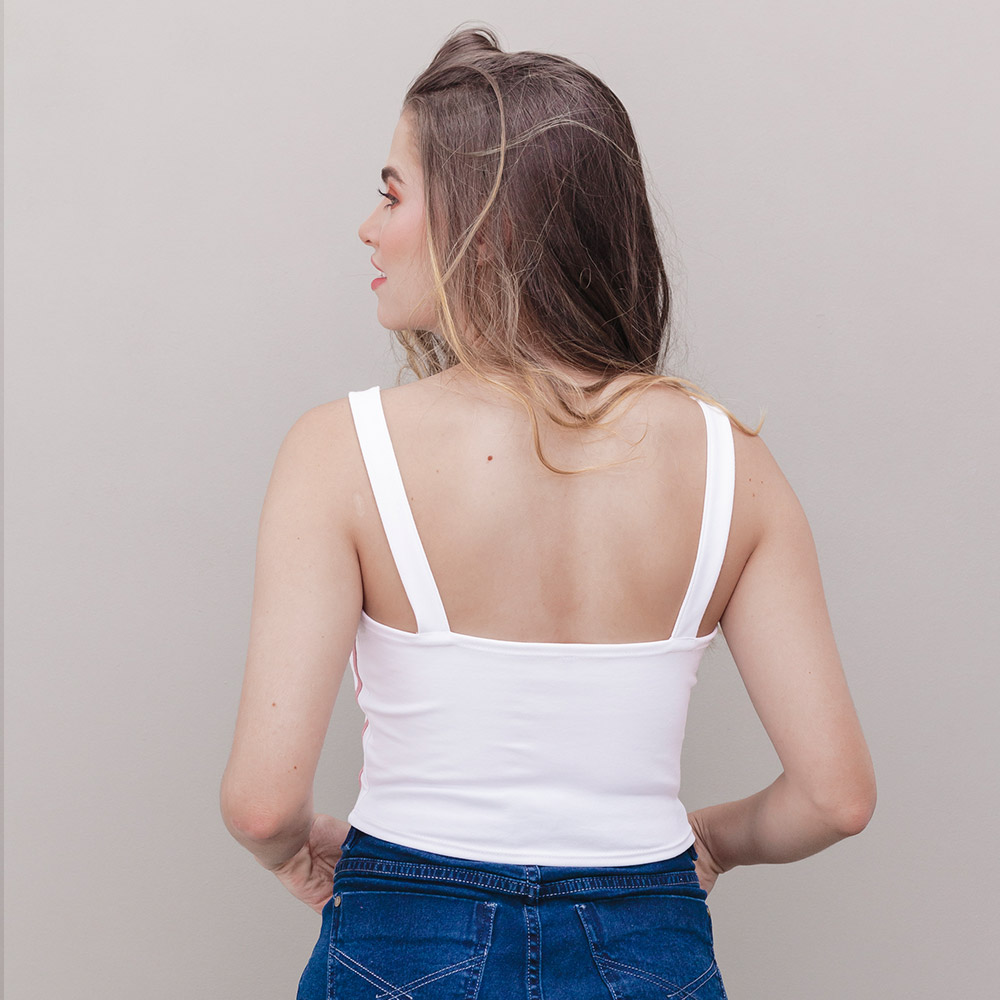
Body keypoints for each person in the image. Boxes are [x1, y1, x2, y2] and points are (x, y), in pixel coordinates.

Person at [221, 26, 876, 999]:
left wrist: (292, 855)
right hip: (646, 936)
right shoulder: (734, 464)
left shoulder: (340, 451)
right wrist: (711, 841)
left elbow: (262, 802)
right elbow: (836, 795)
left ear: (486, 225)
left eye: (392, 194)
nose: (368, 226)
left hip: (404, 934)